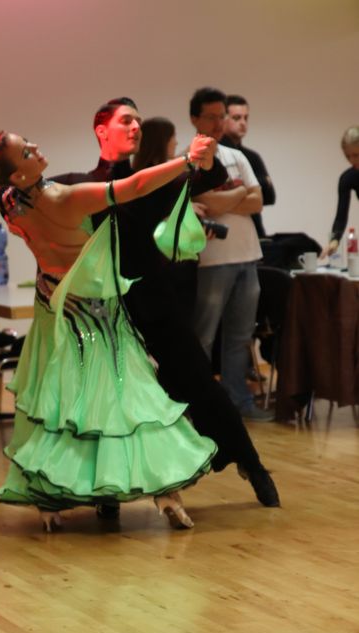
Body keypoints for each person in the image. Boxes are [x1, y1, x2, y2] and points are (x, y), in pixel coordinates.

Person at [0, 128, 219, 531]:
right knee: (128, 399)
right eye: (26, 152)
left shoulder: (10, 204)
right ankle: (164, 493)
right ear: (18, 174)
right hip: (96, 315)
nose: (36, 147)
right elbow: (134, 186)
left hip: (55, 311)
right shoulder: (64, 199)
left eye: (29, 143)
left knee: (62, 405)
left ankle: (51, 498)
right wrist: (187, 160)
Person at [54, 98, 280, 507]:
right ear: (102, 130)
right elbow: (42, 197)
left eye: (139, 120)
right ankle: (107, 495)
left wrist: (205, 160)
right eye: (126, 120)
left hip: (155, 302)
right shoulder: (84, 183)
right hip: (108, 309)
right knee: (108, 399)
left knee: (198, 381)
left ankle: (251, 463)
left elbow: (206, 177)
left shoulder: (151, 178)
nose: (135, 126)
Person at [189, 87, 274, 423]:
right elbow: (204, 204)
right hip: (212, 261)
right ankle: (200, 407)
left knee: (240, 337)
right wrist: (239, 194)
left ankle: (239, 403)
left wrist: (226, 200)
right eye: (211, 116)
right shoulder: (188, 160)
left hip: (247, 255)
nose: (218, 123)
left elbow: (258, 201)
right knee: (204, 336)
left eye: (221, 116)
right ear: (194, 119)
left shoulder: (236, 156)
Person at [221, 94, 276, 238]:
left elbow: (269, 197)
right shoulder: (216, 155)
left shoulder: (252, 156)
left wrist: (239, 186)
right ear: (223, 119)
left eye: (246, 118)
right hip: (227, 232)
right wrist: (260, 183)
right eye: (237, 118)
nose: (243, 123)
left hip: (255, 233)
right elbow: (219, 197)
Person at [322, 125, 359, 258]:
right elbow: (341, 216)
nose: (352, 161)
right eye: (348, 156)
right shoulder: (348, 178)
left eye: (356, 155)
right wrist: (335, 240)